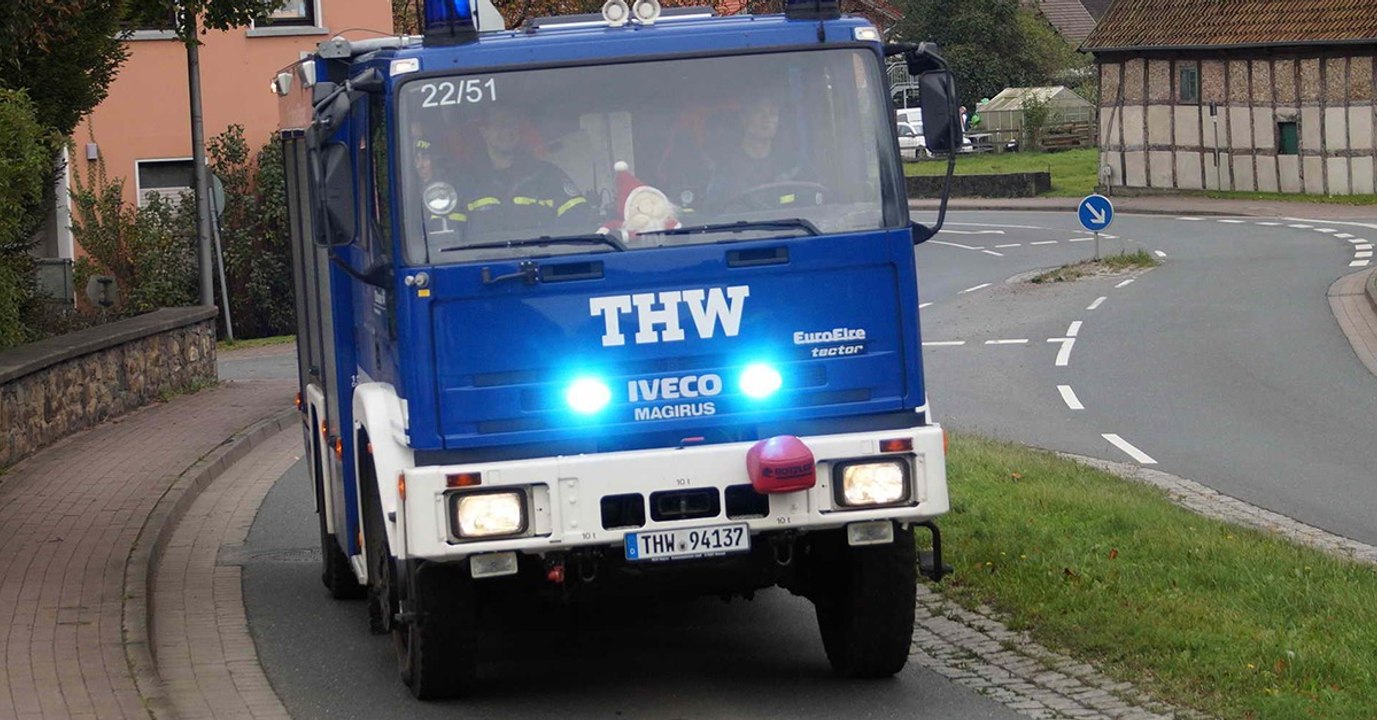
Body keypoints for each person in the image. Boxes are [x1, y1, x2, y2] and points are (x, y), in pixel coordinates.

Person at [456, 105, 591, 240]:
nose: (508, 131)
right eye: (500, 125)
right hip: (482, 259)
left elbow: (578, 215)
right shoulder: (465, 182)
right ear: (484, 131)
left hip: (540, 258)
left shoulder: (547, 175)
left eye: (512, 125)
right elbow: (452, 235)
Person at [703, 95, 808, 210]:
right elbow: (712, 211)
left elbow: (810, 201)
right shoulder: (722, 168)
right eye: (759, 112)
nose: (766, 119)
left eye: (773, 114)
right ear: (744, 119)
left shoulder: (791, 166)